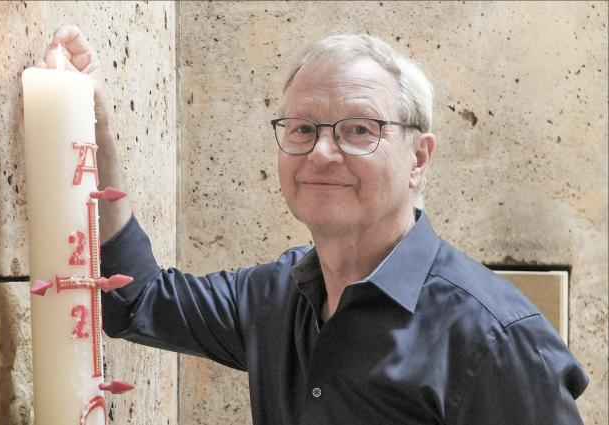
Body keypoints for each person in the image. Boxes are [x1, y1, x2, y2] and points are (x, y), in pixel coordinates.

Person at [40, 26, 588, 425]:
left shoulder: (495, 339)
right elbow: (136, 300)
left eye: (357, 130)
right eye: (302, 128)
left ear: (419, 157)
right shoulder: (274, 298)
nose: (322, 153)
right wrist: (98, 126)